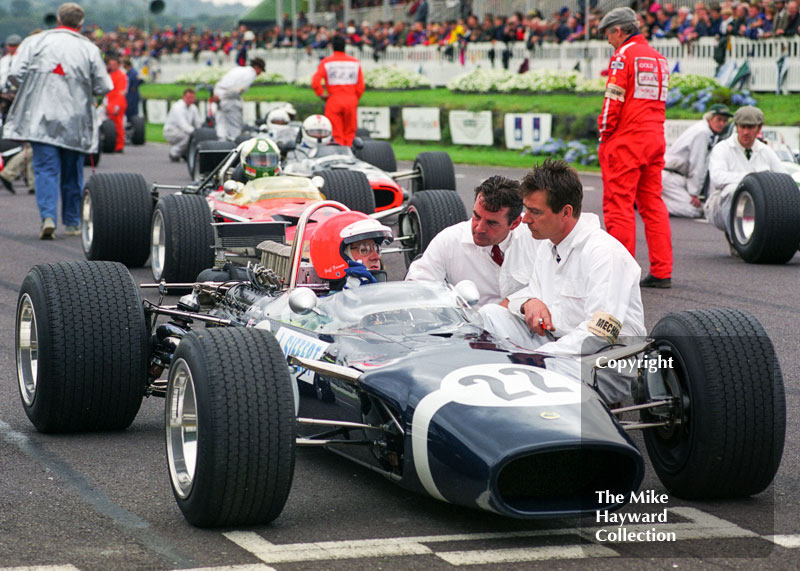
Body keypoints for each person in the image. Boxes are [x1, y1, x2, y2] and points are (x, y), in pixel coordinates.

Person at [479, 160, 646, 403]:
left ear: (566, 212)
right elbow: (530, 298)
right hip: (557, 349)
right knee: (490, 314)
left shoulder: (604, 253)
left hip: (605, 361)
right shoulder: (548, 247)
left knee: (524, 378)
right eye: (526, 209)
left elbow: (600, 333)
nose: (525, 220)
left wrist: (538, 357)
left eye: (535, 212)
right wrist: (529, 303)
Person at [3, 2, 113, 239]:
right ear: (81, 24)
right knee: (73, 173)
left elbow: (14, 74)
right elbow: (105, 85)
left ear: (59, 19)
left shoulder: (36, 41)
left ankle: (48, 217)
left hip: (40, 118)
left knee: (45, 170)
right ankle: (72, 223)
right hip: (75, 121)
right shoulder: (89, 48)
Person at [597, 7, 673, 289]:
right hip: (655, 138)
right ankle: (662, 270)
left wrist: (604, 134)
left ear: (619, 30)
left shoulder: (623, 56)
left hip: (627, 140)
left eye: (608, 34)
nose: (608, 41)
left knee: (619, 206)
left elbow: (612, 102)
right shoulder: (659, 59)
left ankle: (621, 275)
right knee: (653, 205)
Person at [406, 175, 536, 307]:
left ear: (515, 223)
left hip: (525, 322)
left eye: (491, 223)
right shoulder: (448, 241)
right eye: (476, 216)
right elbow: (417, 288)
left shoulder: (537, 236)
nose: (479, 228)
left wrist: (515, 302)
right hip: (470, 324)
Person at [705, 106, 786, 251]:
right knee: (732, 190)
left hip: (759, 207)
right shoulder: (722, 148)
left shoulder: (765, 151)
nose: (746, 132)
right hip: (720, 206)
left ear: (759, 128)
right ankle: (736, 239)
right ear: (736, 126)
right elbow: (717, 177)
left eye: (751, 128)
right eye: (742, 127)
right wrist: (751, 179)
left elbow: (783, 179)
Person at [662, 103, 733, 218]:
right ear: (710, 118)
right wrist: (693, 193)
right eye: (719, 119)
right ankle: (653, 205)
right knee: (694, 211)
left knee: (699, 208)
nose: (722, 124)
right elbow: (697, 164)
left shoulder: (708, 132)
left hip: (677, 176)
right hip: (671, 176)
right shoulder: (703, 132)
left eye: (724, 121)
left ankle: (654, 202)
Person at [309, 210, 394, 290]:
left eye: (376, 249)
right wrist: (349, 298)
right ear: (335, 257)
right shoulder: (319, 304)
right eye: (364, 250)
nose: (376, 256)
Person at [312, 35, 365, 147]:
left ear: (332, 47)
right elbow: (361, 86)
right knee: (350, 132)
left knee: (336, 133)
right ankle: (350, 154)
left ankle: (338, 154)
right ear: (345, 46)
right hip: (351, 99)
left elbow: (316, 80)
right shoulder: (354, 62)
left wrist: (321, 94)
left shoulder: (326, 62)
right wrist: (354, 98)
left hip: (334, 100)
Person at [0, 34, 34, 195]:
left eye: (15, 45)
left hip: (22, 102)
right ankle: (14, 173)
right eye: (10, 45)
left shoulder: (23, 60)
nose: (12, 48)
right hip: (8, 104)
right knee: (28, 144)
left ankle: (29, 178)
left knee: (28, 143)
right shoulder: (4, 62)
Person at [210, 57, 265, 141]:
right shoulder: (251, 74)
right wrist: (221, 97)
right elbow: (236, 90)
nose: (259, 74)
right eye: (260, 71)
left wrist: (217, 96)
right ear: (257, 67)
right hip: (229, 99)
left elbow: (221, 83)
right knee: (235, 127)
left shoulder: (238, 69)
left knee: (221, 125)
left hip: (219, 95)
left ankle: (221, 144)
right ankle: (234, 146)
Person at [163, 88, 202, 162]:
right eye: (188, 97)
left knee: (192, 136)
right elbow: (183, 125)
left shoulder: (193, 108)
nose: (190, 99)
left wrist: (199, 132)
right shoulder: (177, 107)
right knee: (189, 137)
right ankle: (174, 153)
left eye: (192, 98)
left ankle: (185, 153)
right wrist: (196, 133)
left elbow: (198, 123)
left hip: (183, 131)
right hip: (171, 132)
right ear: (183, 97)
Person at [105, 54, 128, 153]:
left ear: (118, 65)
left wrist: (117, 106)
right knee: (111, 125)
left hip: (117, 103)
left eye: (114, 64)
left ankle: (119, 145)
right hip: (110, 102)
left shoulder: (121, 75)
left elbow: (121, 92)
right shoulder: (110, 74)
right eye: (111, 64)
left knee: (118, 125)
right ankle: (112, 143)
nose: (112, 66)